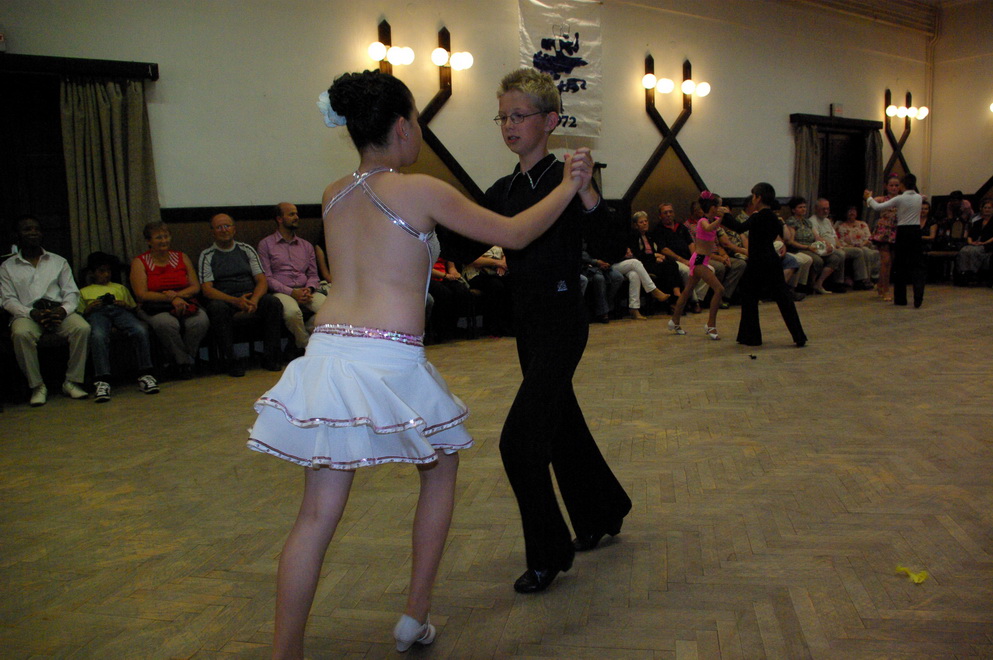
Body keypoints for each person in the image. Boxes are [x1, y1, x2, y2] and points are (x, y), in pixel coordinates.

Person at [246, 69, 589, 657]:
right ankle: (414, 616)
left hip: (327, 351)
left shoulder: (333, 193)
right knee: (440, 467)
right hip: (387, 354)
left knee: (316, 514)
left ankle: (285, 654)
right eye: (419, 123)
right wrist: (569, 185)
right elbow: (514, 234)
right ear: (403, 127)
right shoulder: (421, 190)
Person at [484, 68, 632, 595]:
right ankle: (602, 510)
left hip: (564, 323)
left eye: (518, 115)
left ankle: (549, 552)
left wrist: (587, 191)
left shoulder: (567, 177)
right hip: (527, 326)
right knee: (561, 422)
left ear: (549, 121)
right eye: (502, 116)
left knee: (520, 440)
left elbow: (611, 244)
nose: (508, 125)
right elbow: (463, 237)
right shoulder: (503, 190)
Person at [0, 215, 90, 406]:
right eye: (27, 229)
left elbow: (71, 293)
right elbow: (7, 299)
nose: (33, 233)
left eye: (37, 229)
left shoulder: (58, 261)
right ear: (17, 235)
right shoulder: (7, 267)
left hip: (58, 312)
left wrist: (63, 310)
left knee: (82, 328)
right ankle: (37, 386)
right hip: (27, 314)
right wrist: (31, 313)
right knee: (21, 334)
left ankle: (71, 382)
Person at [198, 213, 283, 376]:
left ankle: (271, 357)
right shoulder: (207, 255)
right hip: (225, 299)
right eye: (219, 227)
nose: (224, 230)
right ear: (213, 232)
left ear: (234, 229)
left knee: (273, 303)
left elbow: (262, 280)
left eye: (227, 226)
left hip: (251, 296)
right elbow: (207, 290)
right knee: (216, 309)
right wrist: (235, 301)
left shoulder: (246, 249)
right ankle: (231, 361)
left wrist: (255, 300)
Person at [723, 183, 807, 347]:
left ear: (759, 198)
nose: (753, 199)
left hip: (757, 262)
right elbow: (783, 236)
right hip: (772, 261)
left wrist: (726, 215)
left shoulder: (758, 216)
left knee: (749, 297)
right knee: (783, 298)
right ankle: (799, 336)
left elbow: (739, 227)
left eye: (754, 196)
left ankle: (751, 337)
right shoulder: (775, 218)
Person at [130, 221, 209, 380]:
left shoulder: (181, 257)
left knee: (200, 321)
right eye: (159, 237)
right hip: (154, 306)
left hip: (184, 302)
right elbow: (141, 294)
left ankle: (182, 360)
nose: (164, 240)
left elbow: (195, 287)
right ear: (148, 241)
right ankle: (184, 363)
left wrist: (178, 297)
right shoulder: (140, 262)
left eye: (166, 236)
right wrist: (171, 299)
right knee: (167, 324)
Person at [78, 252, 159, 402]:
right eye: (101, 271)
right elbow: (81, 313)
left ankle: (146, 373)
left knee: (140, 330)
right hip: (97, 313)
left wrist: (123, 305)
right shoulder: (84, 291)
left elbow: (132, 307)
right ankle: (102, 379)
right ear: (92, 273)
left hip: (119, 311)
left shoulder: (119, 288)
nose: (106, 274)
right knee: (98, 335)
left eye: (108, 271)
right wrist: (90, 307)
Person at [258, 202, 327, 354]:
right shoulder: (266, 244)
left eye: (296, 214)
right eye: (291, 214)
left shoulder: (306, 246)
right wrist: (292, 292)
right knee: (292, 314)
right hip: (281, 291)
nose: (296, 217)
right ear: (279, 219)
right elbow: (267, 278)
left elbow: (313, 275)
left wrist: (309, 289)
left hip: (306, 290)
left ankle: (299, 340)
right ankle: (305, 347)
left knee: (330, 312)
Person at [667, 191, 726, 339]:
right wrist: (721, 218)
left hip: (703, 260)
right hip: (699, 260)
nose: (720, 208)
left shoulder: (714, 219)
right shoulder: (703, 221)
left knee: (687, 291)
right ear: (712, 207)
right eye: (718, 206)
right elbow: (708, 228)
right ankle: (711, 325)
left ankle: (674, 321)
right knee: (719, 289)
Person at [865, 173, 926, 307]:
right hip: (916, 232)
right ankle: (918, 298)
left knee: (900, 265)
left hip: (903, 232)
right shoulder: (919, 198)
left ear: (902, 185)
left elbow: (877, 207)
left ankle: (900, 299)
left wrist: (868, 197)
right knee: (917, 266)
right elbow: (922, 197)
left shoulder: (899, 199)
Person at [809, 198, 870, 290]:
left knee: (858, 252)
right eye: (823, 209)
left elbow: (834, 236)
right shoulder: (812, 221)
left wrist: (839, 246)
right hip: (824, 247)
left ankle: (860, 280)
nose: (826, 211)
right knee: (841, 254)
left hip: (835, 246)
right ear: (816, 208)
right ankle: (838, 282)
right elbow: (817, 237)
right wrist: (829, 245)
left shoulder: (827, 221)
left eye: (827, 209)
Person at [870, 174, 901, 301]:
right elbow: (871, 202)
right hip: (884, 232)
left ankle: (881, 284)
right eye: (891, 185)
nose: (894, 188)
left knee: (890, 262)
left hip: (896, 231)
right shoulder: (882, 199)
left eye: (896, 185)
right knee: (885, 261)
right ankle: (885, 289)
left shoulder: (901, 199)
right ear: (886, 186)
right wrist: (869, 197)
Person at [954, 198, 993, 284]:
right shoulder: (977, 223)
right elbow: (970, 235)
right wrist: (971, 242)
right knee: (964, 250)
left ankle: (973, 273)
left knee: (974, 251)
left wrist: (984, 243)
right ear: (982, 209)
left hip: (987, 244)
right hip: (975, 243)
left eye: (989, 208)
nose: (987, 210)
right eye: (985, 208)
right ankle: (964, 272)